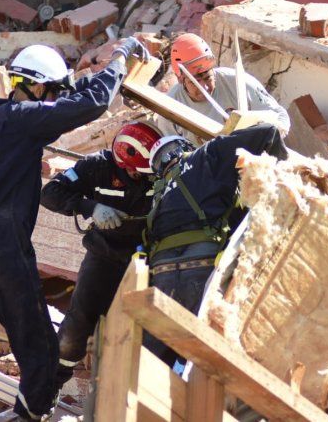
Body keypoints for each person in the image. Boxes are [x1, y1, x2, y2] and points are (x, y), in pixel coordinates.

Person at [0, 38, 150, 422]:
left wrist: (80, 81)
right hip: (0, 247)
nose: (51, 98)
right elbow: (90, 104)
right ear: (34, 85)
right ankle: (30, 417)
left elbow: (64, 102)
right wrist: (119, 58)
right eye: (50, 90)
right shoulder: (20, 120)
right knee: (42, 352)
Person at [142, 124, 288, 367]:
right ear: (185, 147)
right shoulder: (206, 154)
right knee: (205, 360)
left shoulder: (157, 195)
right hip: (202, 266)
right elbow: (267, 132)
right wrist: (282, 177)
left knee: (154, 363)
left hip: (162, 277)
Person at [40, 121, 162, 391]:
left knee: (145, 334)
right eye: (132, 170)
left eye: (144, 171)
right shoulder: (96, 166)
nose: (138, 176)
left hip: (147, 261)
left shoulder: (160, 171)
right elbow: (50, 193)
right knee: (77, 326)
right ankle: (48, 390)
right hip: (104, 257)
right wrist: (90, 207)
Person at [158, 33, 290, 143]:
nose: (204, 87)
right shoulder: (171, 106)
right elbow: (171, 150)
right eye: (195, 81)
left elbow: (280, 116)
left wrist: (266, 136)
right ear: (181, 79)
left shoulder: (238, 82)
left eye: (207, 77)